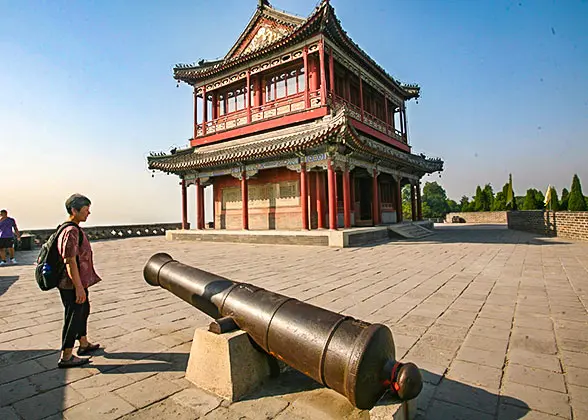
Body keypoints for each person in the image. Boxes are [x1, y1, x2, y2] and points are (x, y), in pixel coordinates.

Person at [56, 194, 102, 368]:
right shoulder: (71, 231)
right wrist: (78, 287)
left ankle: (83, 343)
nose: (88, 213)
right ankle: (66, 355)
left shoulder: (72, 229)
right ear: (74, 211)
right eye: (85, 210)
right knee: (73, 316)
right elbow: (70, 261)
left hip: (79, 282)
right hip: (72, 284)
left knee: (83, 311)